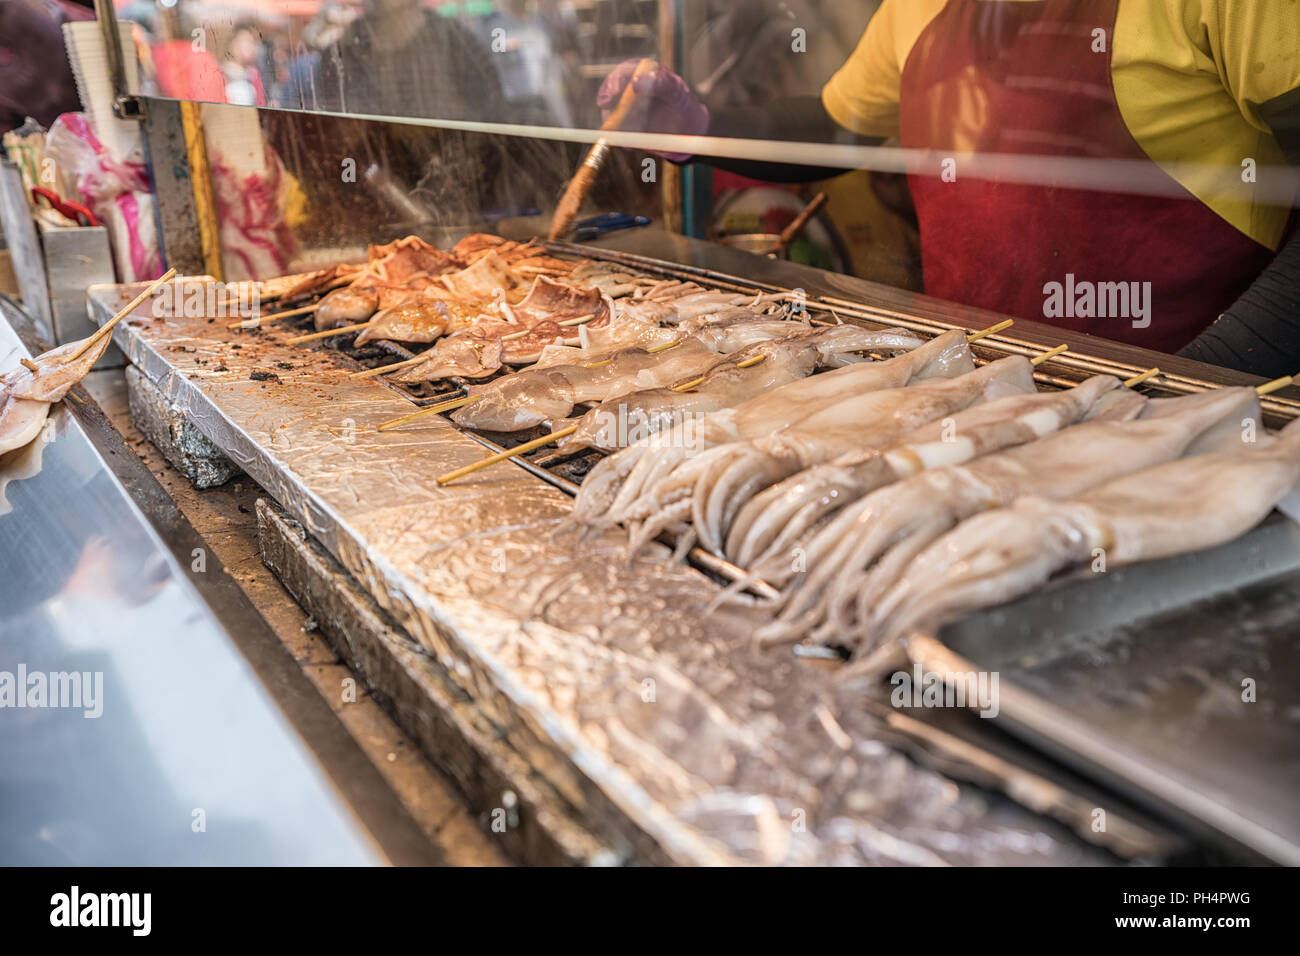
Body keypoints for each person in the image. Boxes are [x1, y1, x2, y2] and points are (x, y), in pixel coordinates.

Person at [599, 0, 1300, 378]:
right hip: (974, 386)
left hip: (1187, 413)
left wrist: (1189, 388)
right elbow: (840, 127)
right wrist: (697, 130)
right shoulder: (920, 7)